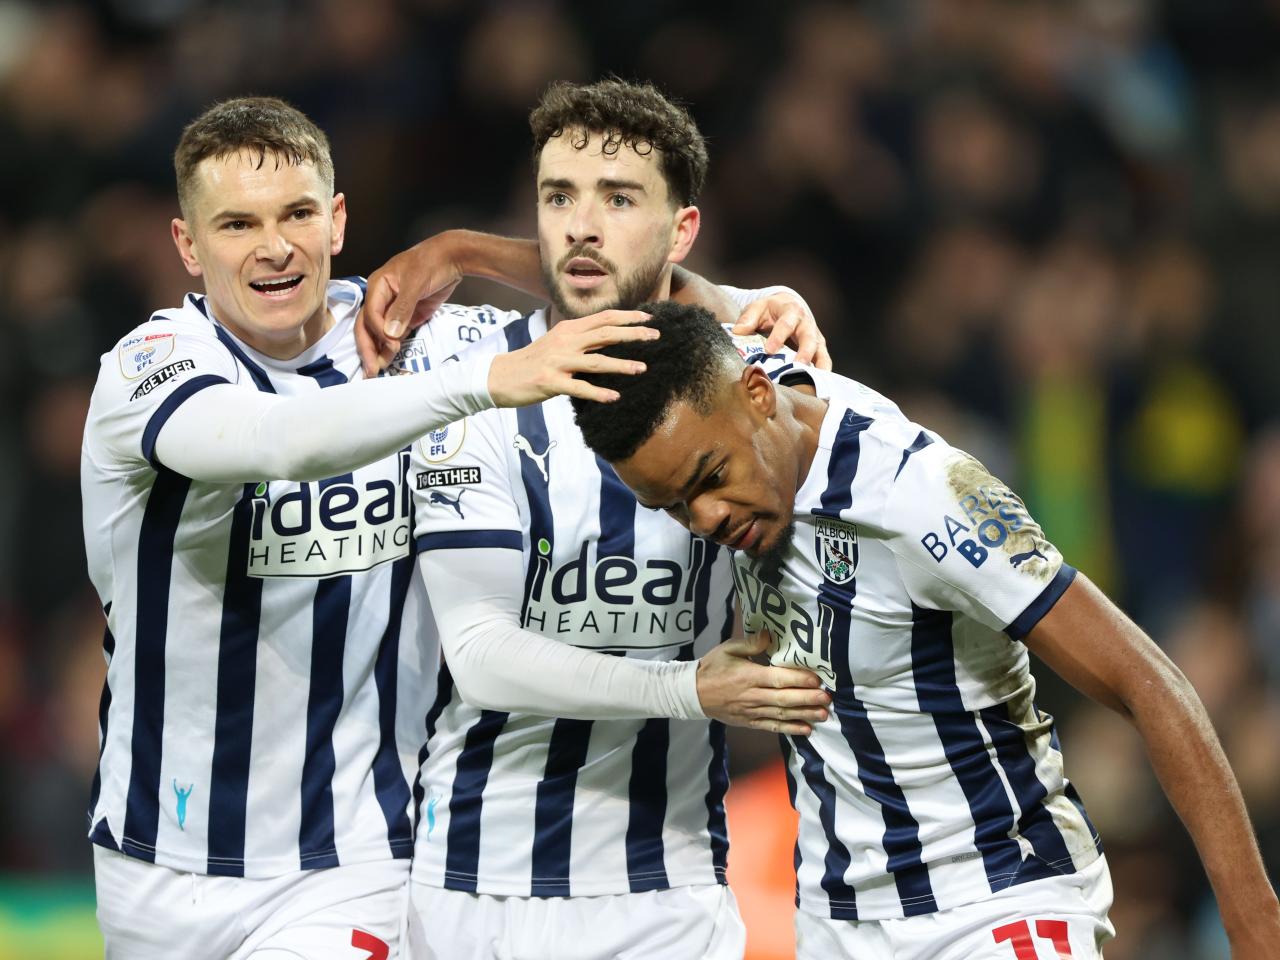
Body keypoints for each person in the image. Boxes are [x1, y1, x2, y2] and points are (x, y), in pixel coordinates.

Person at [80, 95, 665, 959]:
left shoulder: (415, 339)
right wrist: (486, 381)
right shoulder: (151, 365)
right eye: (237, 224)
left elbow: (618, 281)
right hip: (155, 860)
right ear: (188, 247)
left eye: (298, 215)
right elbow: (271, 442)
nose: (274, 248)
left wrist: (743, 296)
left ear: (338, 221)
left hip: (356, 857)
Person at [571, 301, 1280, 960]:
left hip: (992, 905)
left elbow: (1147, 679)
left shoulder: (920, 497)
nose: (705, 520)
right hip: (834, 922)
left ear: (759, 397)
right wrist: (464, 253)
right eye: (672, 505)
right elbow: (644, 264)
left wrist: (1254, 928)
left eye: (709, 476)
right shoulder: (746, 385)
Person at [359, 79, 833, 959]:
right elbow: (481, 655)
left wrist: (743, 302)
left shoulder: (754, 372)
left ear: (681, 228)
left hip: (669, 892)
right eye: (558, 197)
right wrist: (692, 690)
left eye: (619, 199)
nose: (582, 225)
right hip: (472, 891)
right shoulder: (471, 378)